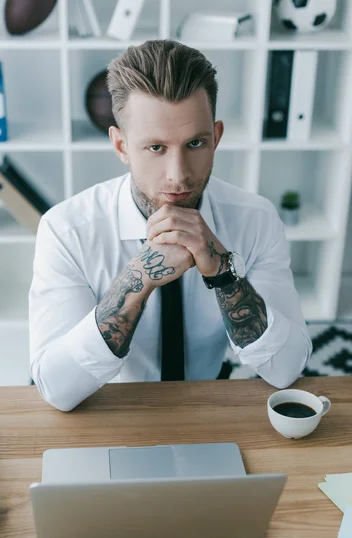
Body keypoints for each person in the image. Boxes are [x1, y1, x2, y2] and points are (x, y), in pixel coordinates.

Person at [29, 40, 312, 412]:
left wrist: (225, 274)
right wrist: (139, 276)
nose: (178, 177)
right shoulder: (67, 230)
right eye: (156, 148)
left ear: (217, 137)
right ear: (121, 146)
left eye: (195, 143)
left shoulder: (256, 220)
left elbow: (287, 370)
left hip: (205, 406)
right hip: (105, 411)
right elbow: (57, 389)